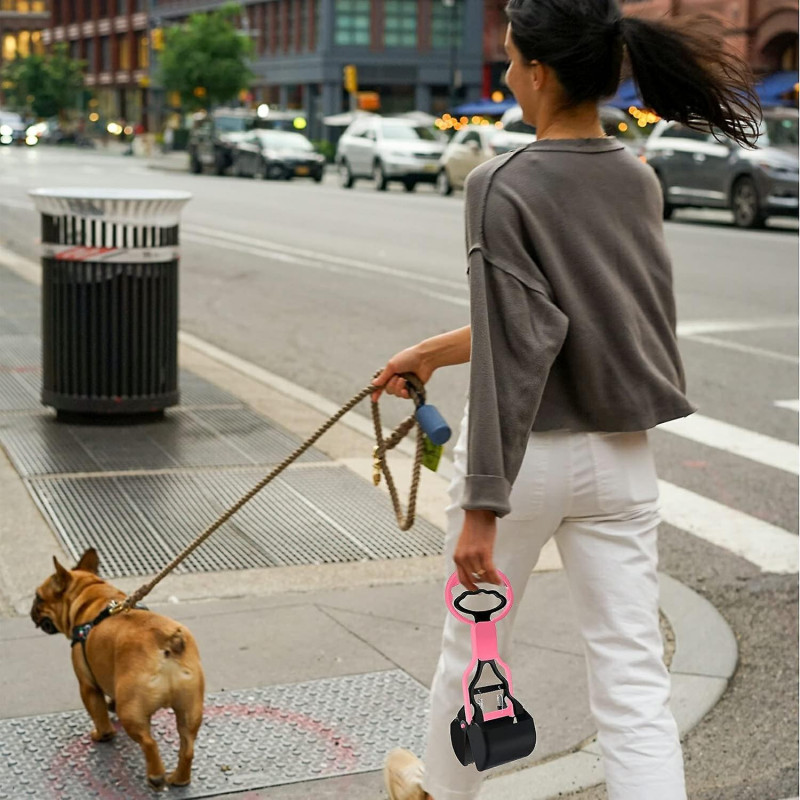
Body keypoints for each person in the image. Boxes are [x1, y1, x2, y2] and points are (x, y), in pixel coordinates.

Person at [372, 1, 760, 799]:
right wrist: (431, 353)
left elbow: (518, 348)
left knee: (472, 653)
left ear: (541, 73)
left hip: (522, 464)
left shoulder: (499, 183)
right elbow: (566, 319)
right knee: (633, 677)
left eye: (515, 60)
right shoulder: (637, 178)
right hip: (621, 460)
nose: (509, 74)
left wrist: (482, 503)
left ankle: (437, 791)